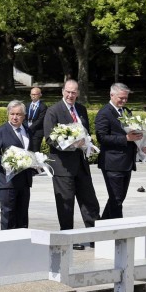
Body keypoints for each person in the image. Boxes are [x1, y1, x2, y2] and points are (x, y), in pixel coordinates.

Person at [43, 79, 100, 247]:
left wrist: (85, 143)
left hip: (81, 164)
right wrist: (70, 144)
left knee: (90, 201)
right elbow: (49, 138)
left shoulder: (81, 109)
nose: (70, 95)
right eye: (68, 92)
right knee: (66, 204)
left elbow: (87, 133)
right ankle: (67, 239)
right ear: (62, 91)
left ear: (78, 93)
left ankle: (95, 237)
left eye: (74, 92)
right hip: (63, 166)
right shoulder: (53, 111)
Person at [95, 83, 143, 220]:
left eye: (126, 98)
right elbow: (101, 137)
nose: (124, 101)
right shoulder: (104, 113)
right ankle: (117, 234)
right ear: (111, 95)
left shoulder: (126, 111)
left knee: (117, 199)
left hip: (126, 162)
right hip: (112, 164)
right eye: (121, 98)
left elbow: (132, 134)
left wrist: (141, 144)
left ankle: (101, 227)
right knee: (116, 200)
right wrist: (125, 138)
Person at [0, 100, 34, 229]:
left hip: (24, 180)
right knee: (8, 214)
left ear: (24, 116)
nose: (15, 117)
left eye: (18, 114)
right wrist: (9, 161)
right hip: (7, 181)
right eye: (12, 114)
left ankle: (23, 242)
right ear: (8, 114)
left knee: (22, 214)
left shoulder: (27, 130)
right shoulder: (1, 131)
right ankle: (7, 244)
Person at [24, 86, 47, 152]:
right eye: (32, 94)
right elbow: (23, 117)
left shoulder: (43, 107)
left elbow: (40, 120)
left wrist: (30, 128)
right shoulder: (27, 105)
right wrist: (26, 127)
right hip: (26, 130)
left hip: (37, 132)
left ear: (40, 95)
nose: (33, 96)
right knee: (26, 149)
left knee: (35, 150)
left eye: (35, 94)